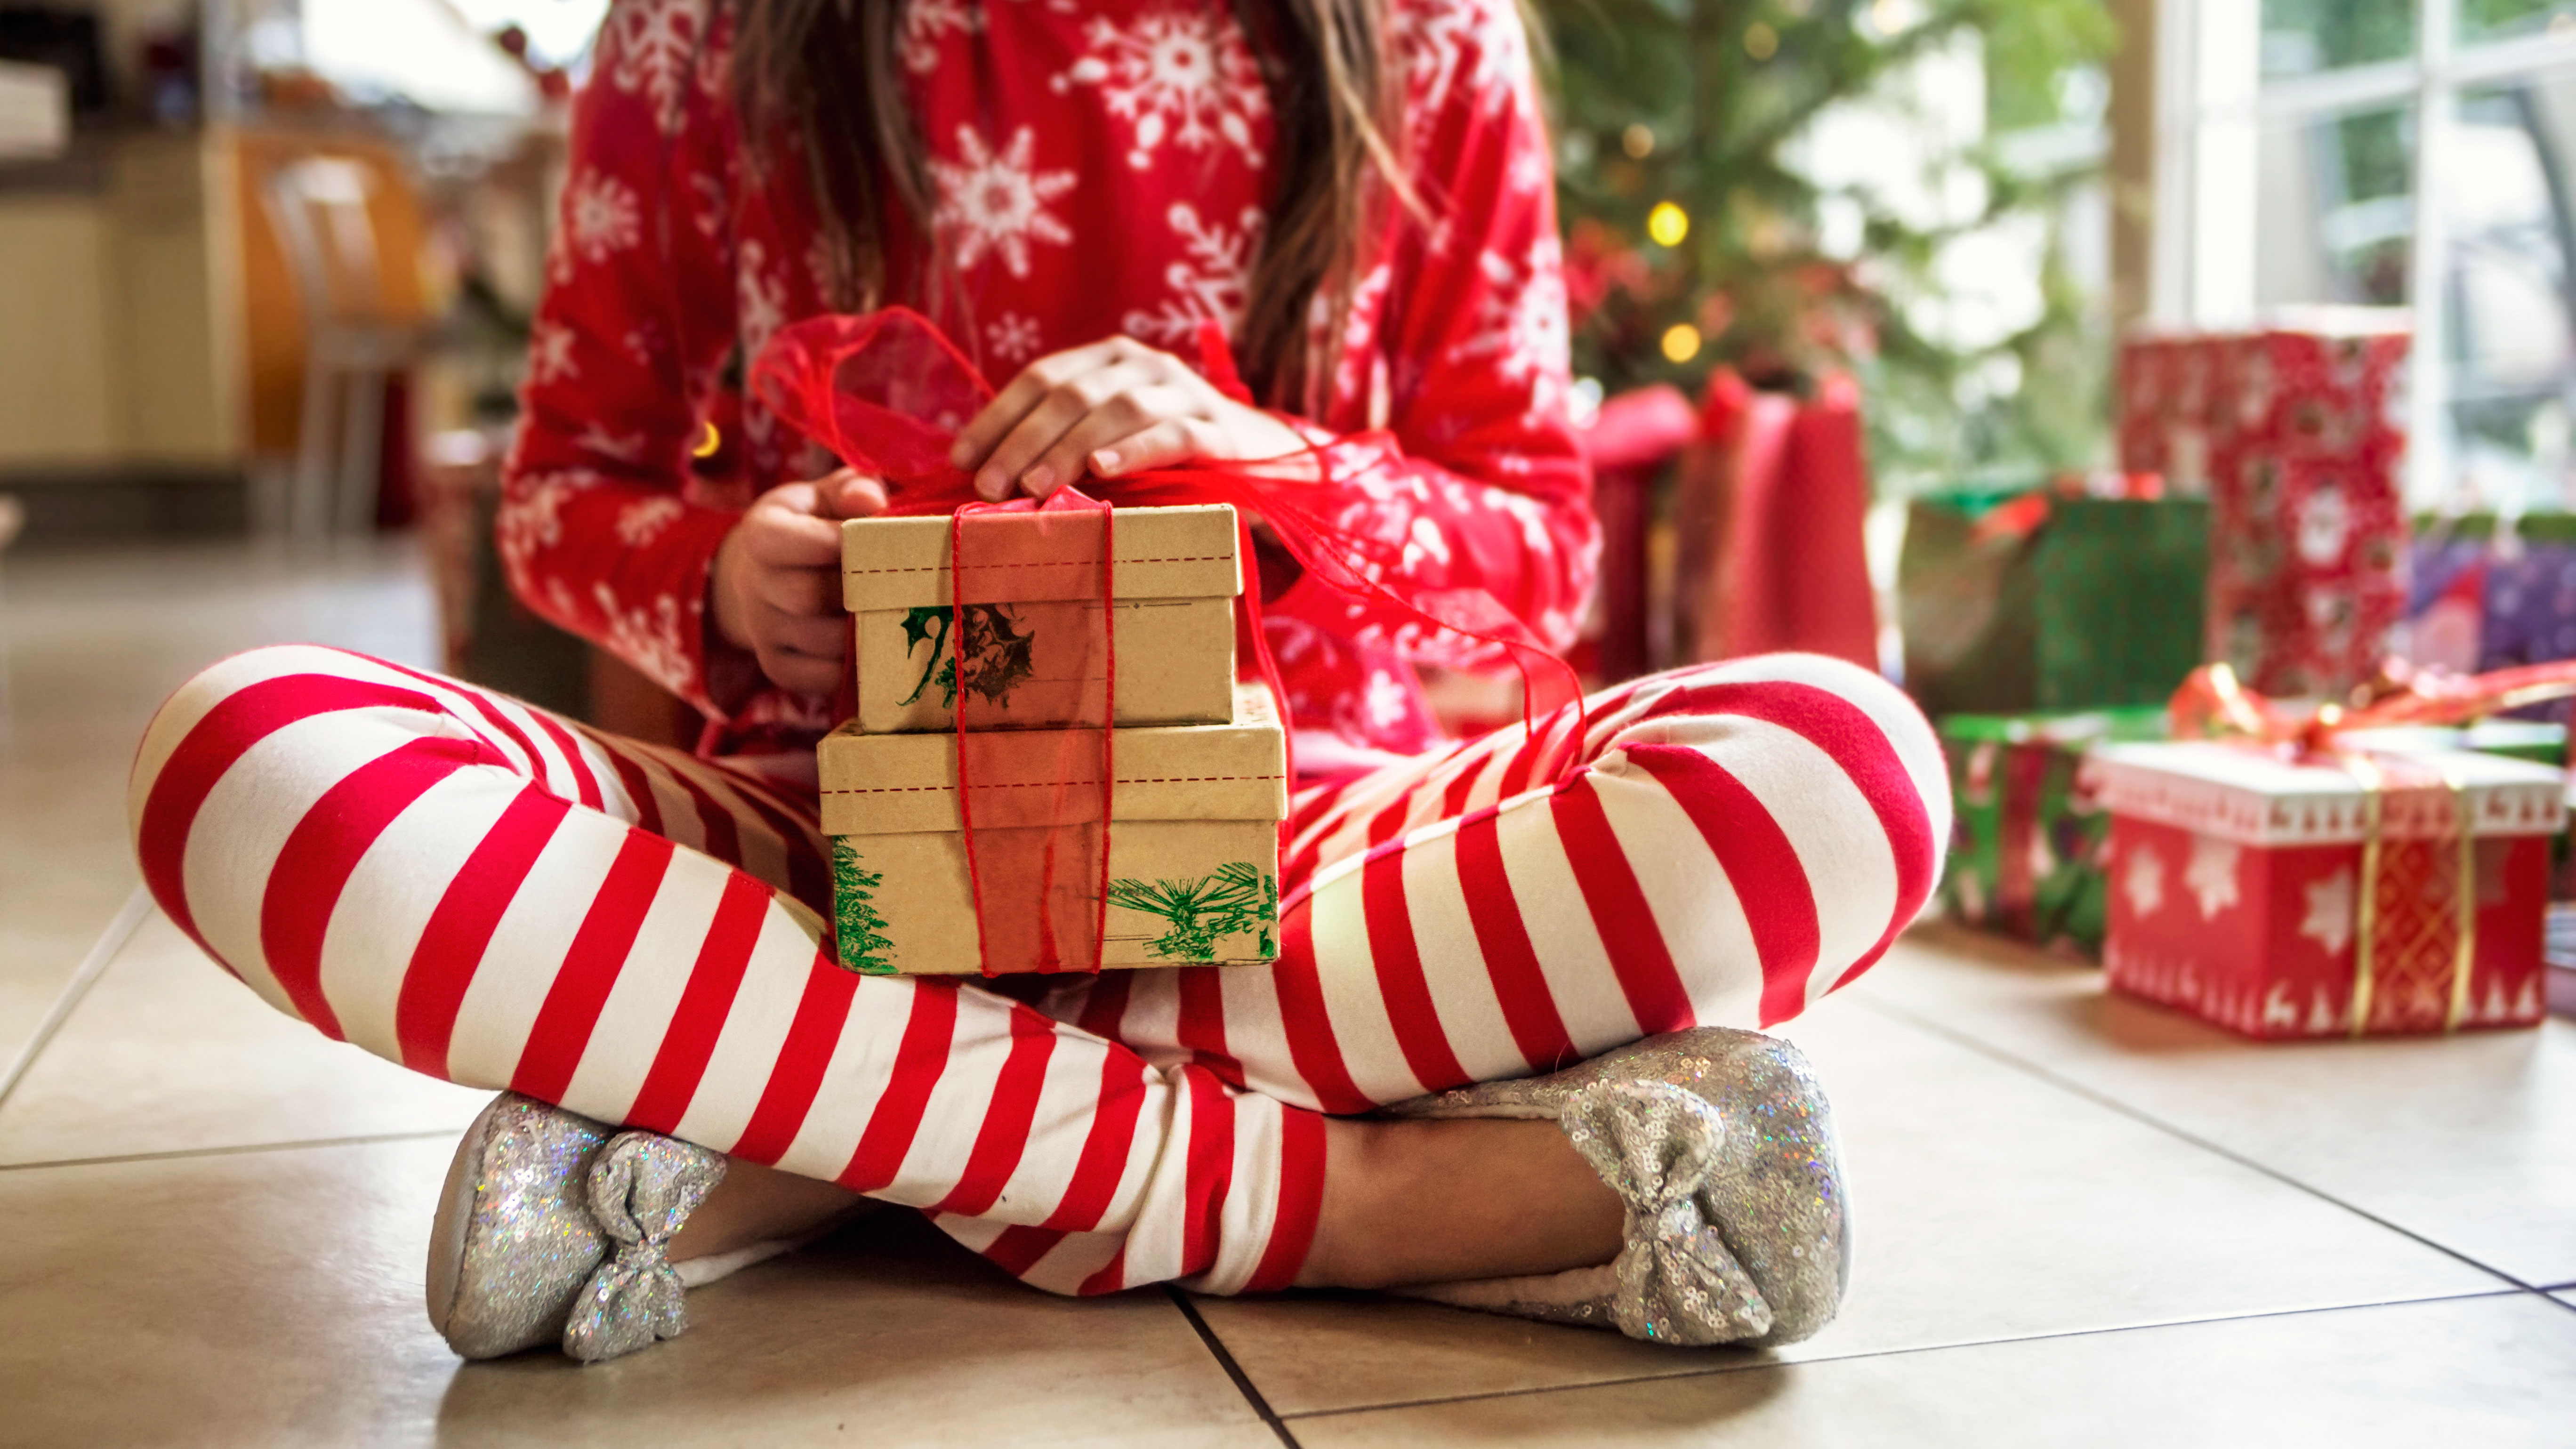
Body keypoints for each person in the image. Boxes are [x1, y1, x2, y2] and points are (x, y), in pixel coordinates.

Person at [129, 0, 1946, 1363]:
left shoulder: (1425, 27)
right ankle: (1368, 1200)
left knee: (1848, 770)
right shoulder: (705, 29)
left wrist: (1268, 455)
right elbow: (555, 494)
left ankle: (824, 1141)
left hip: (1294, 860)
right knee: (247, 763)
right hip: (825, 864)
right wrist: (722, 574)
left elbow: (1539, 536)